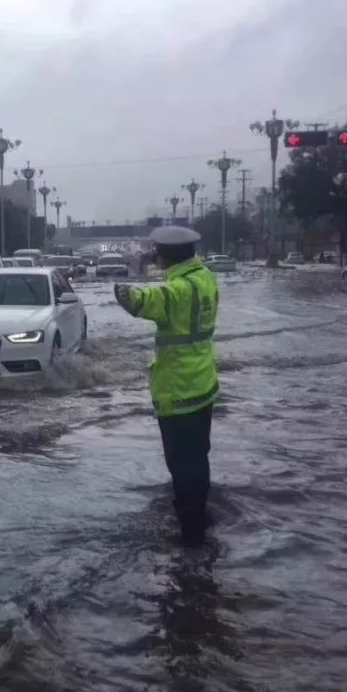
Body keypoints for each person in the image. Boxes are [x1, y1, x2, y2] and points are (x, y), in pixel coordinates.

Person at [114, 226, 220, 547]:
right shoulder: (205, 277)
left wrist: (125, 281)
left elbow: (141, 300)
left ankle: (191, 536)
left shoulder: (178, 290)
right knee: (199, 458)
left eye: (157, 251)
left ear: (166, 254)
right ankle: (200, 516)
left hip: (178, 391)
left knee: (181, 465)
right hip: (203, 384)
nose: (154, 255)